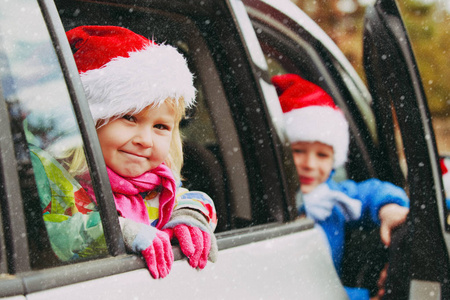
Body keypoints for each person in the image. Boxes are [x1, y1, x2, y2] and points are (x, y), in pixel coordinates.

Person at [34, 25, 217, 279]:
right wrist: (123, 231)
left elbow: (190, 198)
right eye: (130, 117)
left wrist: (189, 217)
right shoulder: (59, 178)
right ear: (90, 121)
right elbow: (67, 233)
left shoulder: (157, 182)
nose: (145, 140)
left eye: (161, 126)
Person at [271, 73, 410, 300]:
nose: (310, 165)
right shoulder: (269, 202)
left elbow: (371, 192)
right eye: (298, 151)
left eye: (323, 155)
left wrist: (389, 209)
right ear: (282, 153)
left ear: (335, 160)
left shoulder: (333, 196)